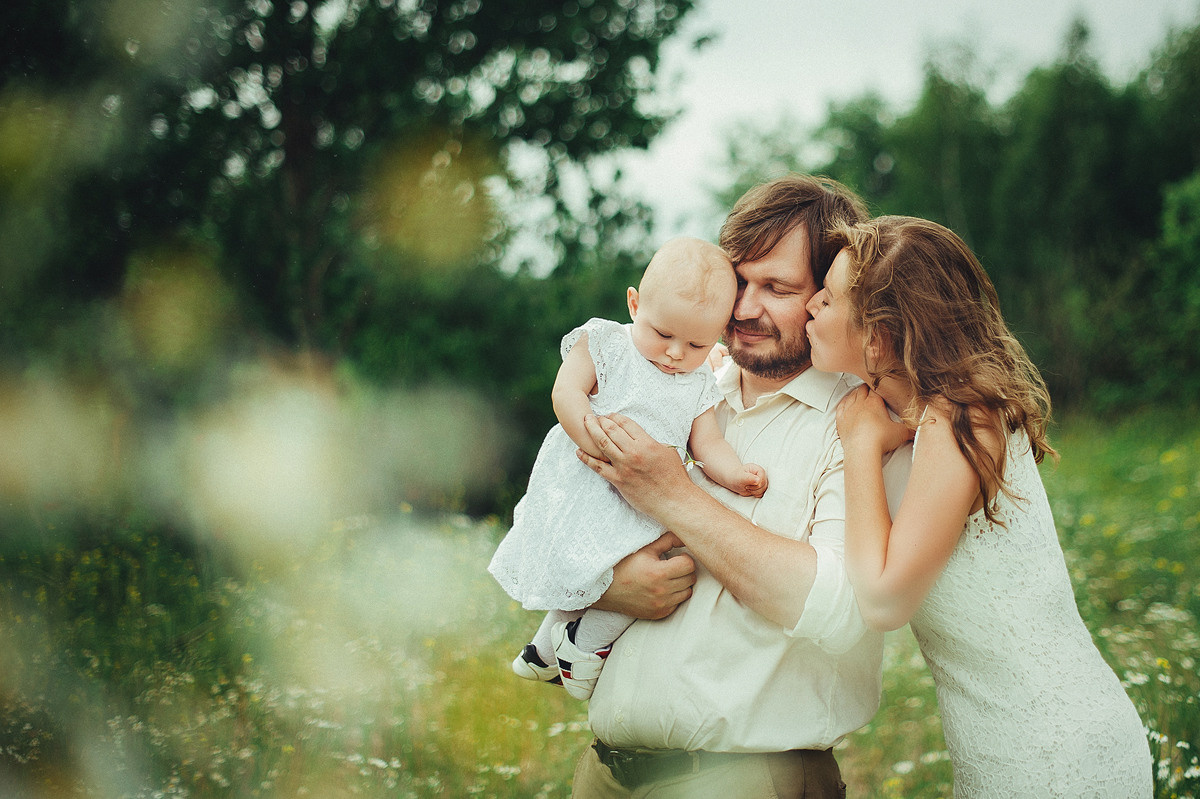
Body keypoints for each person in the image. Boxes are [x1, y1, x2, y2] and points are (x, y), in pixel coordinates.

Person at [571, 175, 913, 799]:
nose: (744, 309)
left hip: (746, 780)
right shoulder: (677, 383)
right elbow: (566, 519)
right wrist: (607, 586)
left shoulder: (863, 424)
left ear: (828, 296)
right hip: (604, 775)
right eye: (739, 281)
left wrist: (672, 494)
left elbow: (842, 610)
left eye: (777, 289)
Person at [805, 215, 1152, 797]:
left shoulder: (963, 417)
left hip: (1052, 751)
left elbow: (884, 600)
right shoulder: (921, 416)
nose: (811, 303)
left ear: (879, 336)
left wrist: (860, 444)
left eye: (829, 296)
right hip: (1002, 748)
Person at [488, 236, 768, 701]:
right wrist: (595, 441)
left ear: (719, 335)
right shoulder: (608, 344)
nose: (675, 353)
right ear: (635, 304)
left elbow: (708, 442)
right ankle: (579, 650)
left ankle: (548, 651)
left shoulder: (699, 381)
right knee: (589, 566)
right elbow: (566, 393)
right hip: (589, 481)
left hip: (644, 501)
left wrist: (734, 473)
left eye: (696, 343)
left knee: (646, 572)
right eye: (663, 334)